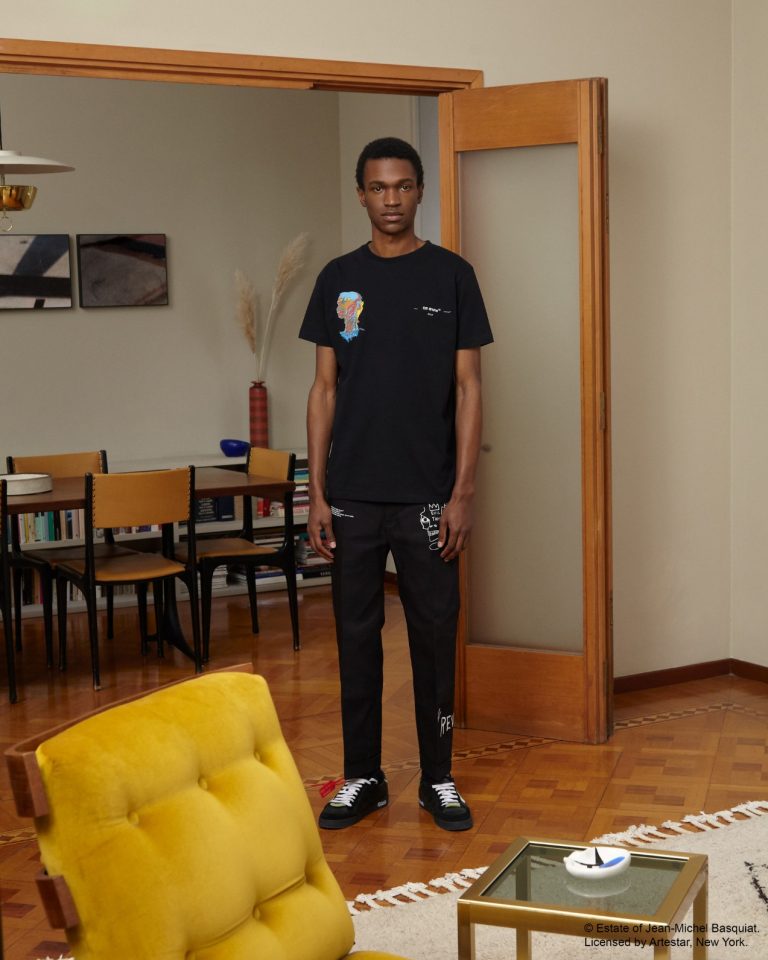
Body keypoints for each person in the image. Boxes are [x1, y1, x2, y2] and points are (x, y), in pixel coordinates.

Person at [299, 136, 493, 832]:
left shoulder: (452, 276)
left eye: (403, 186)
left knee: (434, 640)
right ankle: (364, 777)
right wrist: (317, 493)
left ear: (419, 193)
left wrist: (462, 493)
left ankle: (438, 778)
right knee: (356, 640)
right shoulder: (338, 279)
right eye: (378, 187)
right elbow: (324, 390)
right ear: (361, 194)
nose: (391, 199)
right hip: (352, 494)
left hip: (428, 496)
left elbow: (469, 388)